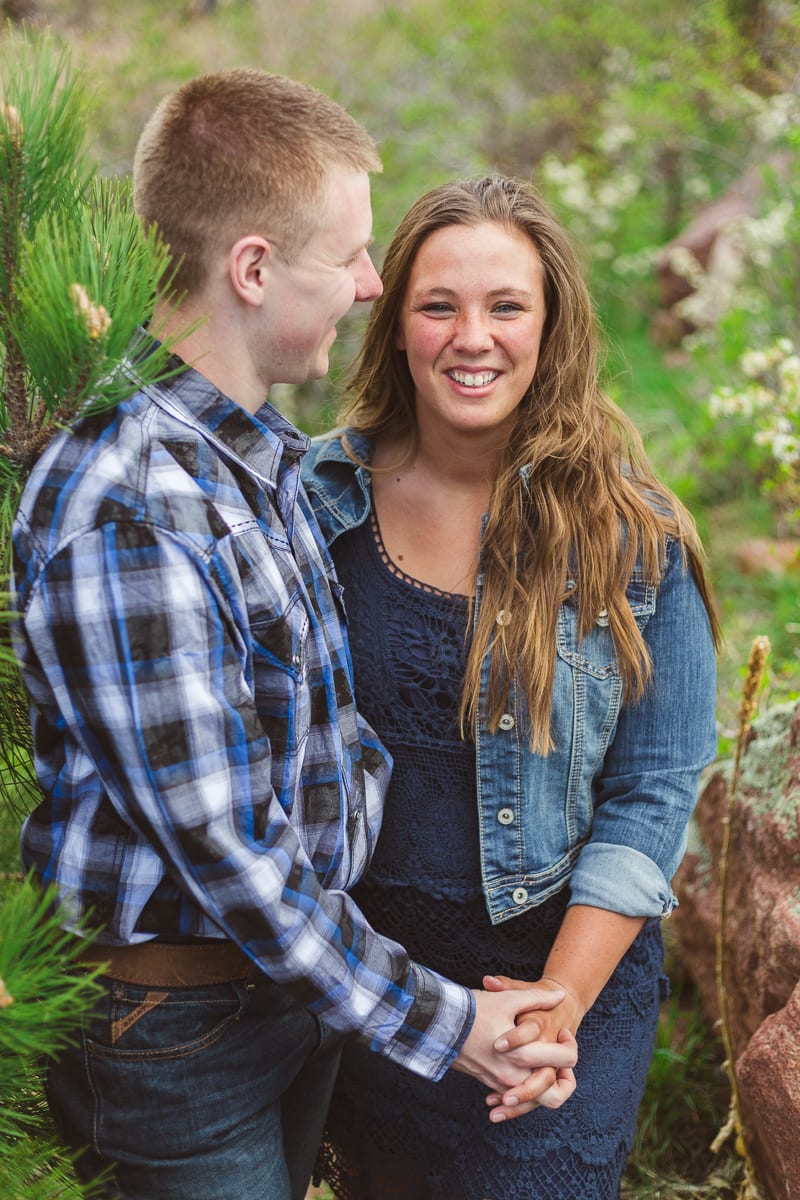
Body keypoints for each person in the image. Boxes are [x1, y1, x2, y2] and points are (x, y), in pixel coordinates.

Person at [10, 80, 577, 1200]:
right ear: (254, 268)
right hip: (176, 1033)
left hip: (286, 995)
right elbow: (229, 852)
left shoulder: (257, 455)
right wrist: (450, 1022)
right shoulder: (132, 503)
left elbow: (321, 743)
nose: (373, 285)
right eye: (352, 256)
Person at [301, 174, 721, 1200]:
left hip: (558, 981)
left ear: (551, 325)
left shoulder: (631, 535)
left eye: (505, 307)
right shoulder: (309, 506)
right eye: (438, 305)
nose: (470, 337)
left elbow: (654, 790)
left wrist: (553, 1007)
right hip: (373, 989)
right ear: (393, 321)